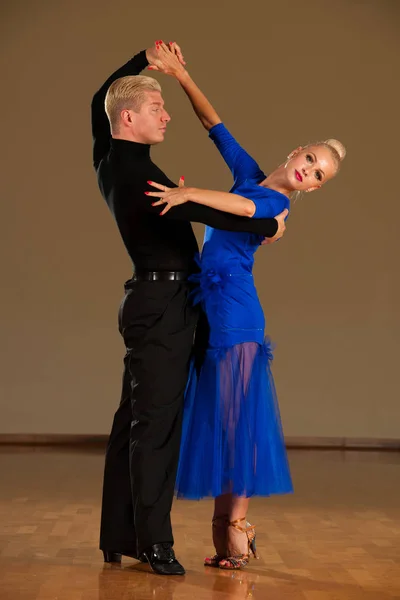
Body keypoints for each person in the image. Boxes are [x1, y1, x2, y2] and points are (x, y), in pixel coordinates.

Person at [91, 41, 288, 576]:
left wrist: (142, 62)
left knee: (133, 419)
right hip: (166, 305)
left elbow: (97, 102)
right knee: (155, 427)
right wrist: (269, 224)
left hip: (156, 301)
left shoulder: (109, 157)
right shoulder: (146, 180)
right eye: (157, 109)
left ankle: (118, 536)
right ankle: (154, 543)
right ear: (129, 118)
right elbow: (215, 212)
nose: (167, 114)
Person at [146, 42, 346, 570]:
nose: (310, 172)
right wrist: (182, 75)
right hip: (214, 309)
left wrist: (190, 197)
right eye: (310, 160)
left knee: (235, 425)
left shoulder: (273, 204)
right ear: (295, 152)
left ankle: (234, 529)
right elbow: (215, 125)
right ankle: (229, 533)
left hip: (236, 314)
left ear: (316, 187)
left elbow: (240, 208)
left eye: (320, 175)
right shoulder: (250, 172)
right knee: (221, 421)